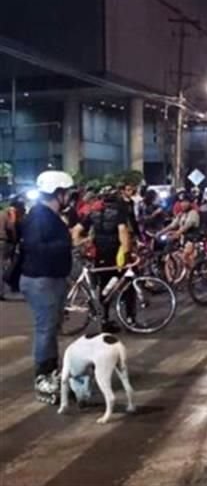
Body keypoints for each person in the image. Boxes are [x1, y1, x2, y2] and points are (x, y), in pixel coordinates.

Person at [19, 171, 75, 404]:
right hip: (42, 280)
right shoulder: (40, 216)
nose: (71, 197)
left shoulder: (48, 216)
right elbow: (35, 247)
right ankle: (42, 377)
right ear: (58, 193)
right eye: (68, 193)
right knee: (45, 329)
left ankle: (52, 371)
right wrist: (67, 243)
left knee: (51, 328)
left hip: (50, 279)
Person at [73, 188, 135, 332]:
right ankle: (130, 319)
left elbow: (76, 231)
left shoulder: (93, 212)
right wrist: (126, 254)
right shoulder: (119, 211)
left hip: (100, 253)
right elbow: (123, 234)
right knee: (128, 283)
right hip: (115, 253)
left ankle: (105, 319)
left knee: (104, 286)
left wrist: (83, 242)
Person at [0, 196, 26, 299]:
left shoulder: (2, 213)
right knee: (1, 267)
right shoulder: (7, 215)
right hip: (3, 241)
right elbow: (11, 228)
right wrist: (15, 239)